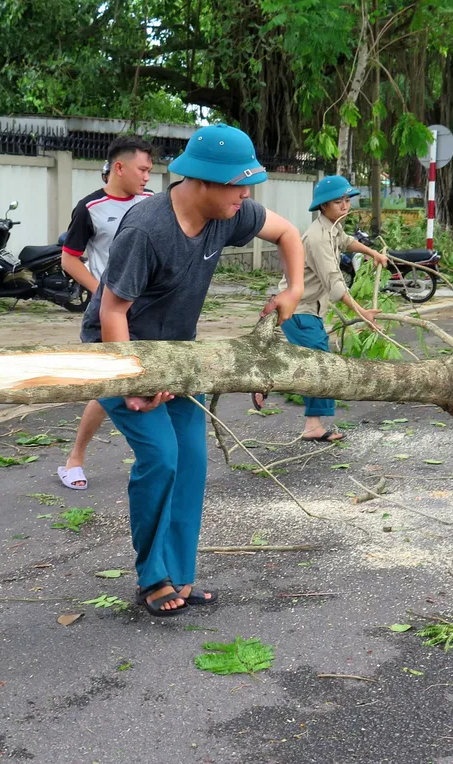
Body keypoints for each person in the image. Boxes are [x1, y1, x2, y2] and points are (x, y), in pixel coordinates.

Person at [81, 124, 305, 616]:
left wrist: (294, 290)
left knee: (191, 460)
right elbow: (112, 312)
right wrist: (134, 383)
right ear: (200, 181)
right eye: (237, 184)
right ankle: (152, 578)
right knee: (160, 457)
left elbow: (288, 232)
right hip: (120, 352)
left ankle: (179, 577)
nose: (245, 194)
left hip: (181, 356)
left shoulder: (227, 212)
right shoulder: (147, 228)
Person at [250, 175, 387, 441]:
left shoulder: (332, 228)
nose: (345, 206)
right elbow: (334, 284)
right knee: (321, 365)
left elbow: (346, 241)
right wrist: (362, 313)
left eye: (347, 200)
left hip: (311, 311)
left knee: (312, 363)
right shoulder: (317, 238)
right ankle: (263, 377)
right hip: (299, 311)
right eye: (338, 202)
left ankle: (306, 419)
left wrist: (373, 253)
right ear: (323, 206)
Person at [57, 136, 156, 490]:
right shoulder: (90, 208)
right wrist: (104, 294)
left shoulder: (153, 204)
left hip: (149, 314)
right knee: (111, 386)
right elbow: (69, 258)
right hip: (111, 315)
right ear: (119, 167)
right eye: (143, 169)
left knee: (124, 387)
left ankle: (155, 458)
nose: (148, 176)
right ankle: (75, 459)